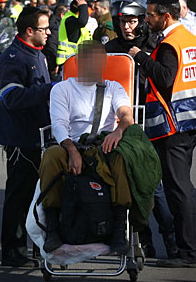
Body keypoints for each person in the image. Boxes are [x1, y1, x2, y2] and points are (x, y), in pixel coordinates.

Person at [128, 0, 196, 268]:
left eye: (151, 14)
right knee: (184, 187)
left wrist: (140, 56)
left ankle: (190, 254)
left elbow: (165, 78)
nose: (147, 19)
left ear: (166, 16)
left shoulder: (169, 44)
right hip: (192, 120)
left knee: (177, 190)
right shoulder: (190, 40)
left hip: (173, 125)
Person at [38, 41, 135, 255]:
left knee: (122, 158)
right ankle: (52, 228)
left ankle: (119, 229)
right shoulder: (62, 89)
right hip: (70, 144)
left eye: (101, 62)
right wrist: (72, 151)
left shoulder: (112, 87)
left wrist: (119, 131)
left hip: (103, 147)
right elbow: (59, 125)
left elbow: (126, 114)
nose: (98, 66)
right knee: (51, 156)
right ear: (80, 62)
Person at [104, 0, 178, 259]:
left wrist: (142, 58)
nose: (127, 26)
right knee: (124, 186)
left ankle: (171, 241)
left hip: (149, 125)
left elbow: (163, 80)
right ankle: (141, 242)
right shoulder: (109, 49)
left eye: (133, 21)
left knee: (153, 186)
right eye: (123, 21)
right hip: (116, 126)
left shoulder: (154, 46)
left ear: (142, 21)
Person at [0, 6, 55, 268]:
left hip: (37, 137)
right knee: (18, 197)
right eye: (44, 28)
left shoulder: (37, 53)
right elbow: (12, 98)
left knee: (35, 197)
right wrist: (49, 90)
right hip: (20, 139)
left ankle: (31, 247)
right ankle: (12, 251)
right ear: (29, 31)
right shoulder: (13, 58)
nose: (49, 32)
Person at [55, 0, 92, 70]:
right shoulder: (69, 19)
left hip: (76, 60)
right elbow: (82, 22)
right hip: (69, 60)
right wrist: (83, 6)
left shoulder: (73, 19)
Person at [41, 3, 67, 82]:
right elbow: (52, 45)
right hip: (52, 62)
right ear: (62, 15)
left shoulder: (53, 23)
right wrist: (55, 64)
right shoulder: (55, 26)